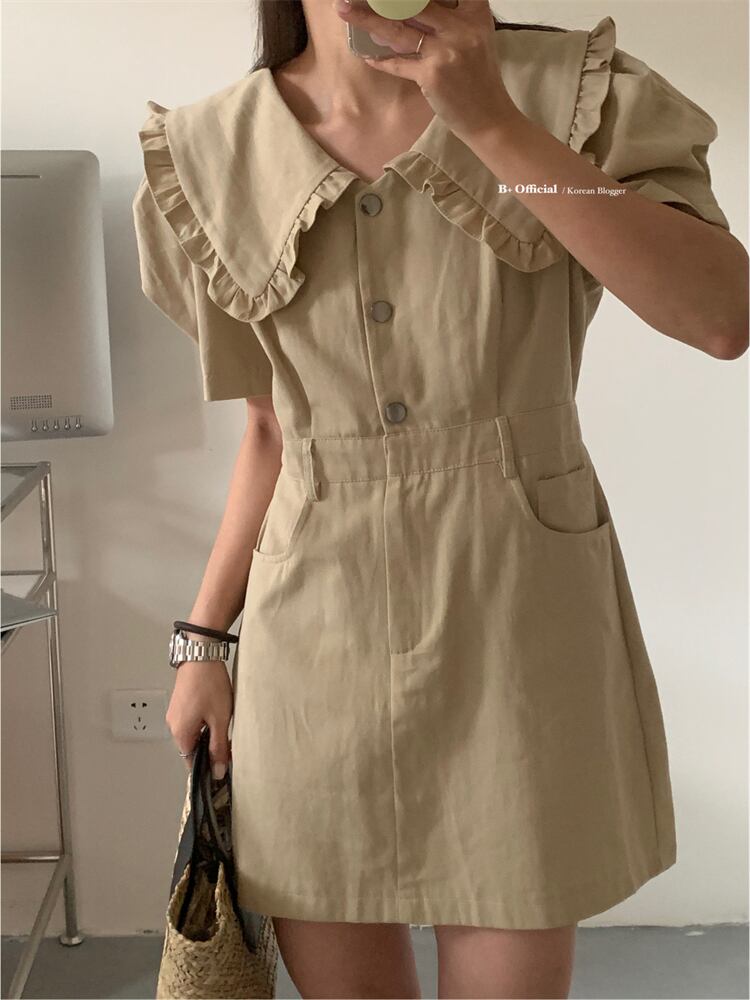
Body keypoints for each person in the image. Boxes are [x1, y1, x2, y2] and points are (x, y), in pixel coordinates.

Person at [132, 1, 748, 996]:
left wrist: (493, 123)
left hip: (519, 620)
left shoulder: (569, 94)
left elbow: (721, 315)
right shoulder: (213, 154)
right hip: (311, 639)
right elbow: (273, 433)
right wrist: (201, 643)